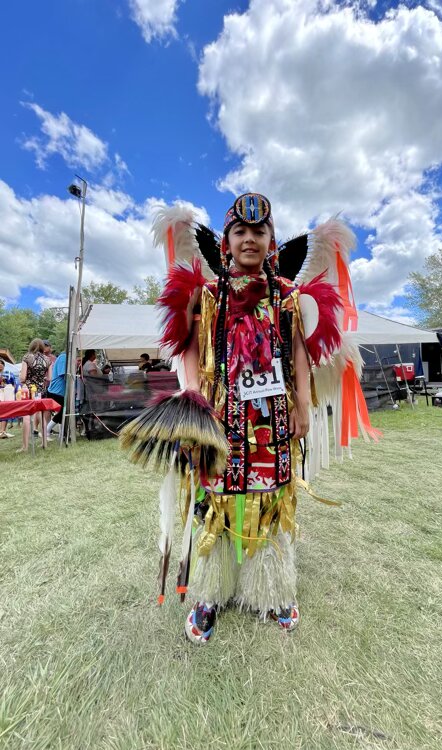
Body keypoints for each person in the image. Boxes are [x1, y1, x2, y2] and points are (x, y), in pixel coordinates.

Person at [121, 193, 378, 645]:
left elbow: (298, 352)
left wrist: (301, 404)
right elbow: (189, 348)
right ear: (226, 242)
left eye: (259, 232)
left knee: (271, 502)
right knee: (216, 503)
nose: (250, 239)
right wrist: (193, 403)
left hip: (272, 419)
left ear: (271, 240)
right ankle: (210, 593)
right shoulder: (208, 295)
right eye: (240, 232)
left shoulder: (287, 296)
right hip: (219, 419)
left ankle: (272, 590)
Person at [18, 339, 51, 452]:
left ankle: (25, 446)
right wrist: (41, 379)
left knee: (26, 416)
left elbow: (22, 378)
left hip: (27, 389)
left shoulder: (27, 357)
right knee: (41, 415)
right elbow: (50, 378)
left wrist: (22, 379)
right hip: (39, 391)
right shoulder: (47, 360)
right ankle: (44, 443)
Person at [46, 351, 67, 440]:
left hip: (59, 391)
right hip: (56, 391)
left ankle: (61, 434)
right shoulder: (63, 357)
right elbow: (63, 374)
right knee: (63, 411)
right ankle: (47, 431)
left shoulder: (63, 357)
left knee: (63, 412)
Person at [0, 358, 17, 438]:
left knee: (5, 412)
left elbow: (14, 384)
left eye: (1, 363)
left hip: (7, 394)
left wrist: (12, 391)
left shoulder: (9, 373)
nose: (0, 365)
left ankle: (3, 431)